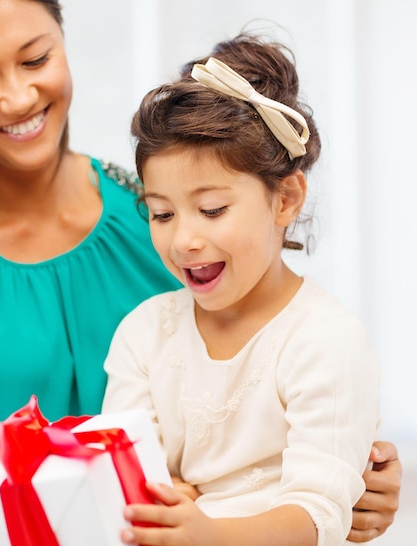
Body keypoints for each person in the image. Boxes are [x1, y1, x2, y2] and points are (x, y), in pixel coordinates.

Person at [0, 1, 401, 545]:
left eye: (36, 59)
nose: (20, 95)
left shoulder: (156, 218)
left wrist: (355, 476)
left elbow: (261, 402)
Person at [101, 33, 393, 546]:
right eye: (162, 213)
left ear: (285, 198)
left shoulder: (324, 340)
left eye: (212, 209)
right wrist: (164, 494)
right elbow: (121, 477)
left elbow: (319, 514)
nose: (184, 240)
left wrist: (207, 532)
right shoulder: (144, 333)